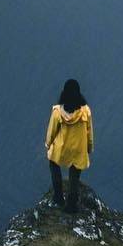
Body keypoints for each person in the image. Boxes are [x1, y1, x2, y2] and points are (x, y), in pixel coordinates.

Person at [45, 78, 93, 212]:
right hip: (79, 148)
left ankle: (58, 197)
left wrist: (48, 144)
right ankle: (71, 204)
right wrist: (89, 147)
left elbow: (52, 131)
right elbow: (90, 132)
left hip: (62, 148)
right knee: (74, 174)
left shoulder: (57, 112)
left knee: (53, 164)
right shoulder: (85, 111)